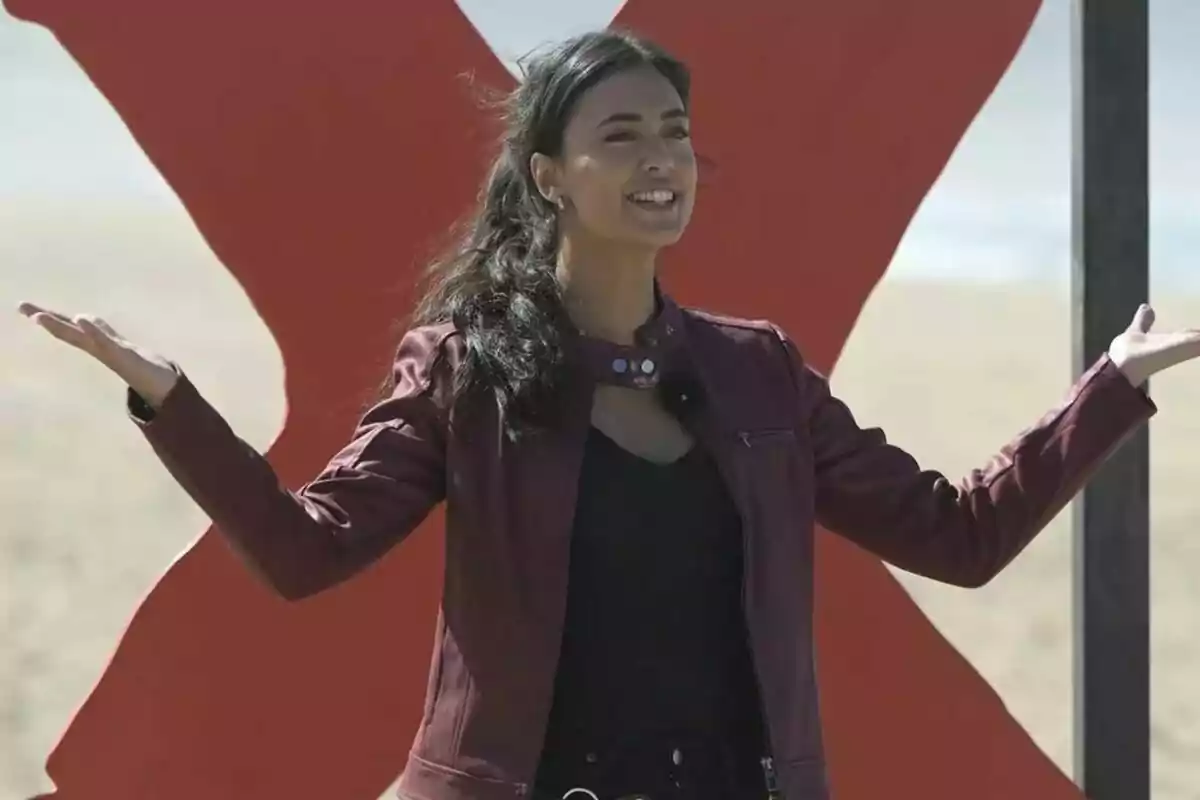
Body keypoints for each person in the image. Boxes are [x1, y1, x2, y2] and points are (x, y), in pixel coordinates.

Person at [15, 28, 1197, 800]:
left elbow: (961, 534)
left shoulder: (759, 374)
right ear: (548, 174)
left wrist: (1115, 384)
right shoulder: (468, 370)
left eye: (675, 131)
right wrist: (170, 402)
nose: (661, 157)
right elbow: (304, 550)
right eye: (621, 134)